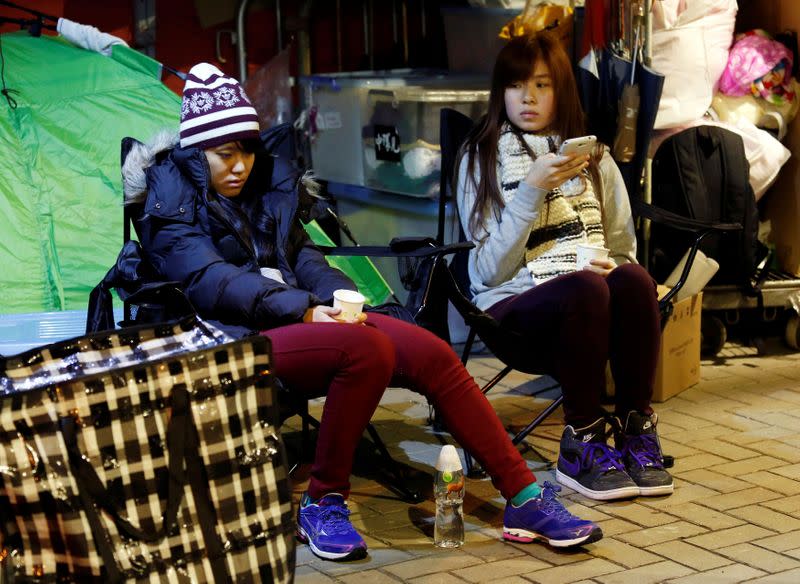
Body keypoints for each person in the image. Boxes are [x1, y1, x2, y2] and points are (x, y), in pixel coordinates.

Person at [125, 62, 603, 562]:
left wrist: (335, 297)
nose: (241, 164)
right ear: (197, 152)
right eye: (226, 153)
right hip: (226, 338)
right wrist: (307, 311)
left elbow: (304, 255)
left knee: (432, 353)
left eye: (246, 148)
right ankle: (323, 500)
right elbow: (212, 283)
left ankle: (524, 497)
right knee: (366, 347)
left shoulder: (262, 188)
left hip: (298, 319)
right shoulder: (170, 203)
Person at [455, 32, 674, 502]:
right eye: (515, 85)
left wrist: (602, 265)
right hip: (513, 307)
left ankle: (636, 430)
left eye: (542, 84)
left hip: (589, 310)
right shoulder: (481, 156)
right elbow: (486, 273)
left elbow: (622, 248)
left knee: (633, 279)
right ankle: (583, 439)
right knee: (585, 290)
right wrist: (531, 190)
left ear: (562, 91)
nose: (528, 97)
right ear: (501, 93)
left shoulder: (595, 161)